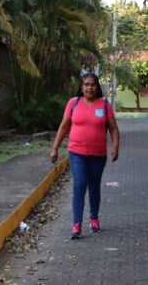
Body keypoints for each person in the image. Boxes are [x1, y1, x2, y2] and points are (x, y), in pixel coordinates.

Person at [51, 72, 120, 239]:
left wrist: (116, 146)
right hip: (76, 153)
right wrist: (55, 148)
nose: (90, 87)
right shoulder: (73, 104)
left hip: (98, 154)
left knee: (94, 186)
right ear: (81, 87)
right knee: (79, 186)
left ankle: (94, 218)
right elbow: (63, 127)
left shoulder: (104, 106)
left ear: (97, 87)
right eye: (86, 84)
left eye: (93, 84)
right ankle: (76, 225)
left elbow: (113, 128)